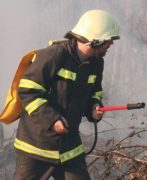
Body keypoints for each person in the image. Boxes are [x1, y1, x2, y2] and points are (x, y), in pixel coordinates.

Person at [13, 9, 120, 180]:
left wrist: (95, 107)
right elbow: (27, 91)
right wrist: (52, 119)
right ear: (95, 39)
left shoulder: (97, 63)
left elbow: (95, 93)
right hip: (35, 147)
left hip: (70, 148)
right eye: (109, 40)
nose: (111, 44)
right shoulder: (53, 55)